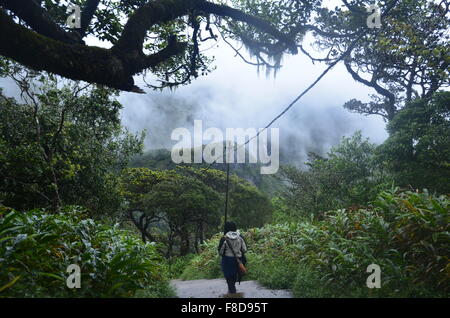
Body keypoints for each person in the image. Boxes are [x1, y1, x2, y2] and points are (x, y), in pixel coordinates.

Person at [218, 221, 247, 294]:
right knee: (234, 275)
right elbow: (244, 249)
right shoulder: (240, 237)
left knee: (228, 276)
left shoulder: (224, 238)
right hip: (238, 260)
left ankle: (232, 291)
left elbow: (221, 252)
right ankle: (232, 289)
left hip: (227, 260)